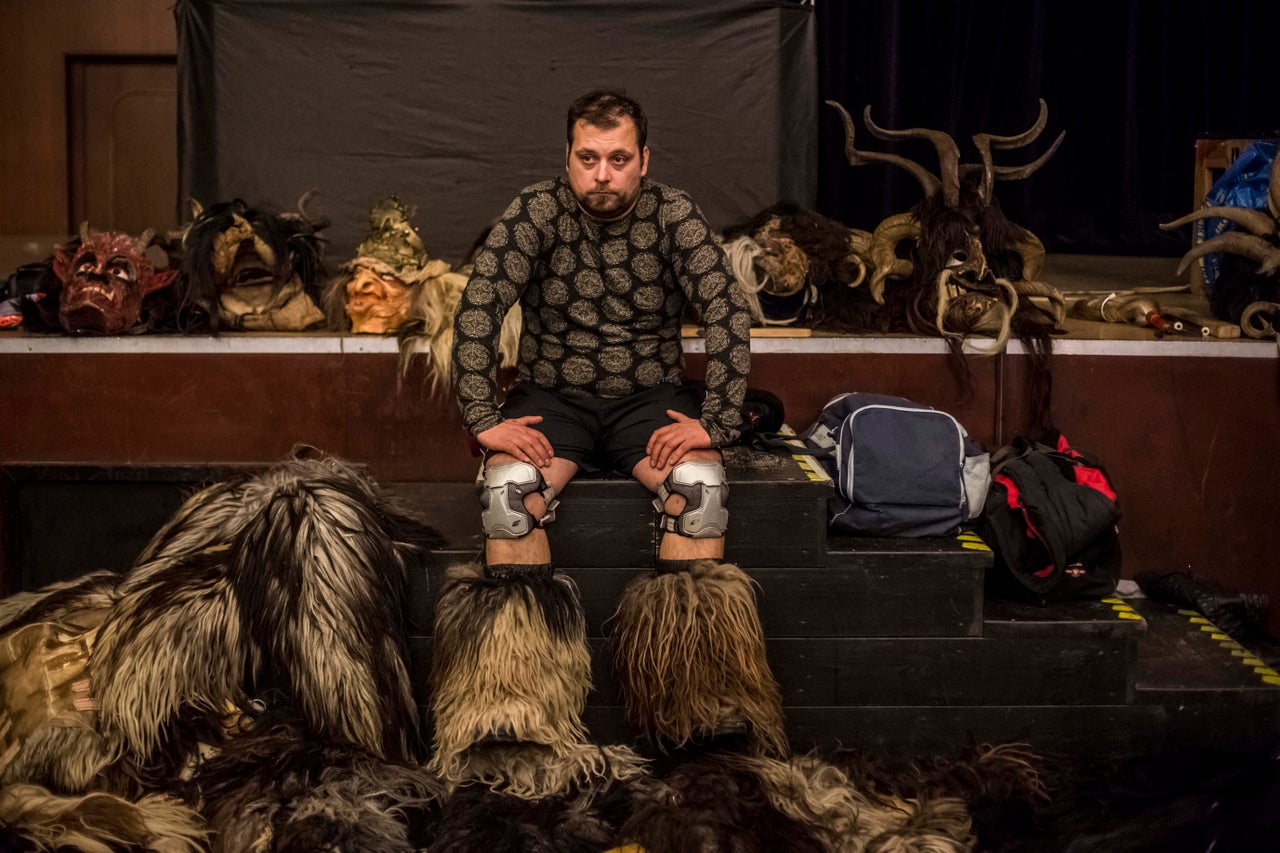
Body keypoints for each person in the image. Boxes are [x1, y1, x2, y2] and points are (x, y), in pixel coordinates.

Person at [430, 91, 784, 791]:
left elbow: (726, 310)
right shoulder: (535, 210)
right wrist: (480, 415)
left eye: (618, 160)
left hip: (647, 402)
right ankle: (517, 706)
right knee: (506, 493)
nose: (602, 174)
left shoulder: (674, 214)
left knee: (702, 488)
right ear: (567, 158)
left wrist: (714, 417)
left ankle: (696, 707)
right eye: (588, 159)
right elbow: (475, 309)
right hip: (552, 401)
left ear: (643, 161)